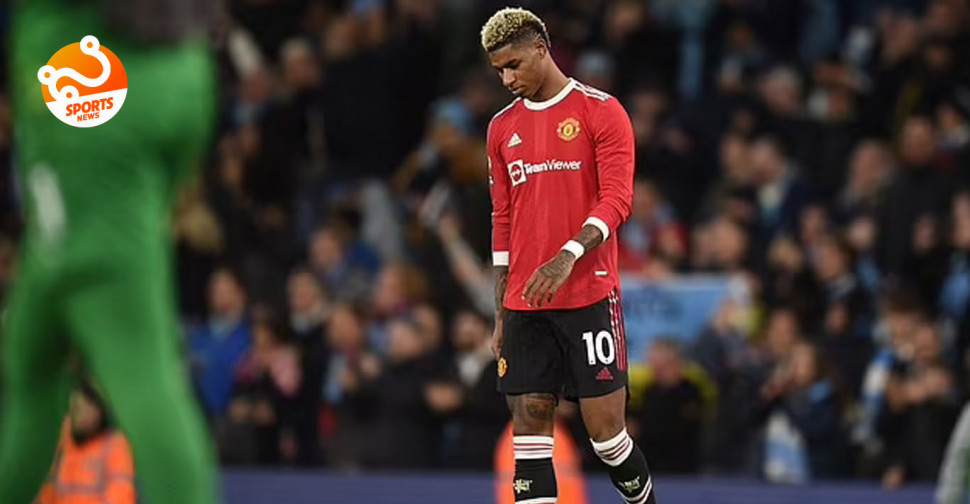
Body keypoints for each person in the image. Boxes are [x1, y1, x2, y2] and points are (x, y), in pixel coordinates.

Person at [0, 1, 219, 503]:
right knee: (34, 365)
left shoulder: (48, 31)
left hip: (83, 243)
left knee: (144, 389)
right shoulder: (187, 71)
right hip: (98, 234)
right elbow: (176, 171)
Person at [481, 8, 655, 504]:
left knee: (607, 438)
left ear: (541, 49)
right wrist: (501, 310)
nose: (507, 79)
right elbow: (502, 219)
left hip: (588, 294)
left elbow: (617, 199)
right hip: (524, 303)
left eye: (513, 65)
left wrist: (567, 255)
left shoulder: (601, 111)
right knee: (530, 435)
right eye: (499, 70)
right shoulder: (501, 129)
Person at [37, 382, 136, 504]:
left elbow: (120, 497)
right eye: (77, 409)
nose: (82, 417)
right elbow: (48, 491)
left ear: (100, 414)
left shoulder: (115, 446)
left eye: (89, 409)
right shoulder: (63, 439)